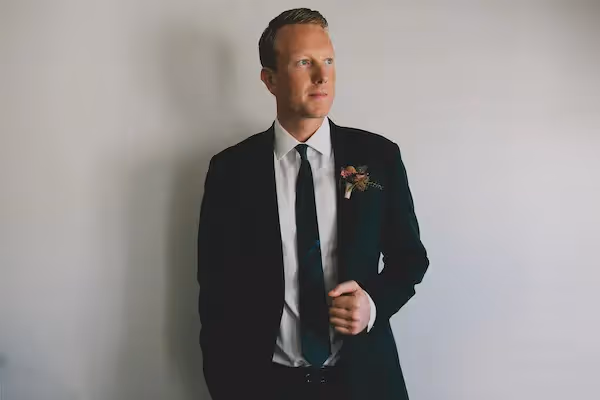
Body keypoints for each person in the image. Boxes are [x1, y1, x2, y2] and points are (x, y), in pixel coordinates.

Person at [197, 8, 429, 400]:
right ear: (270, 79)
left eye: (328, 61)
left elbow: (410, 259)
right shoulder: (230, 171)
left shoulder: (378, 156)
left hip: (364, 384)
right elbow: (216, 294)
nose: (322, 76)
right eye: (304, 62)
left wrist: (372, 304)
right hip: (264, 386)